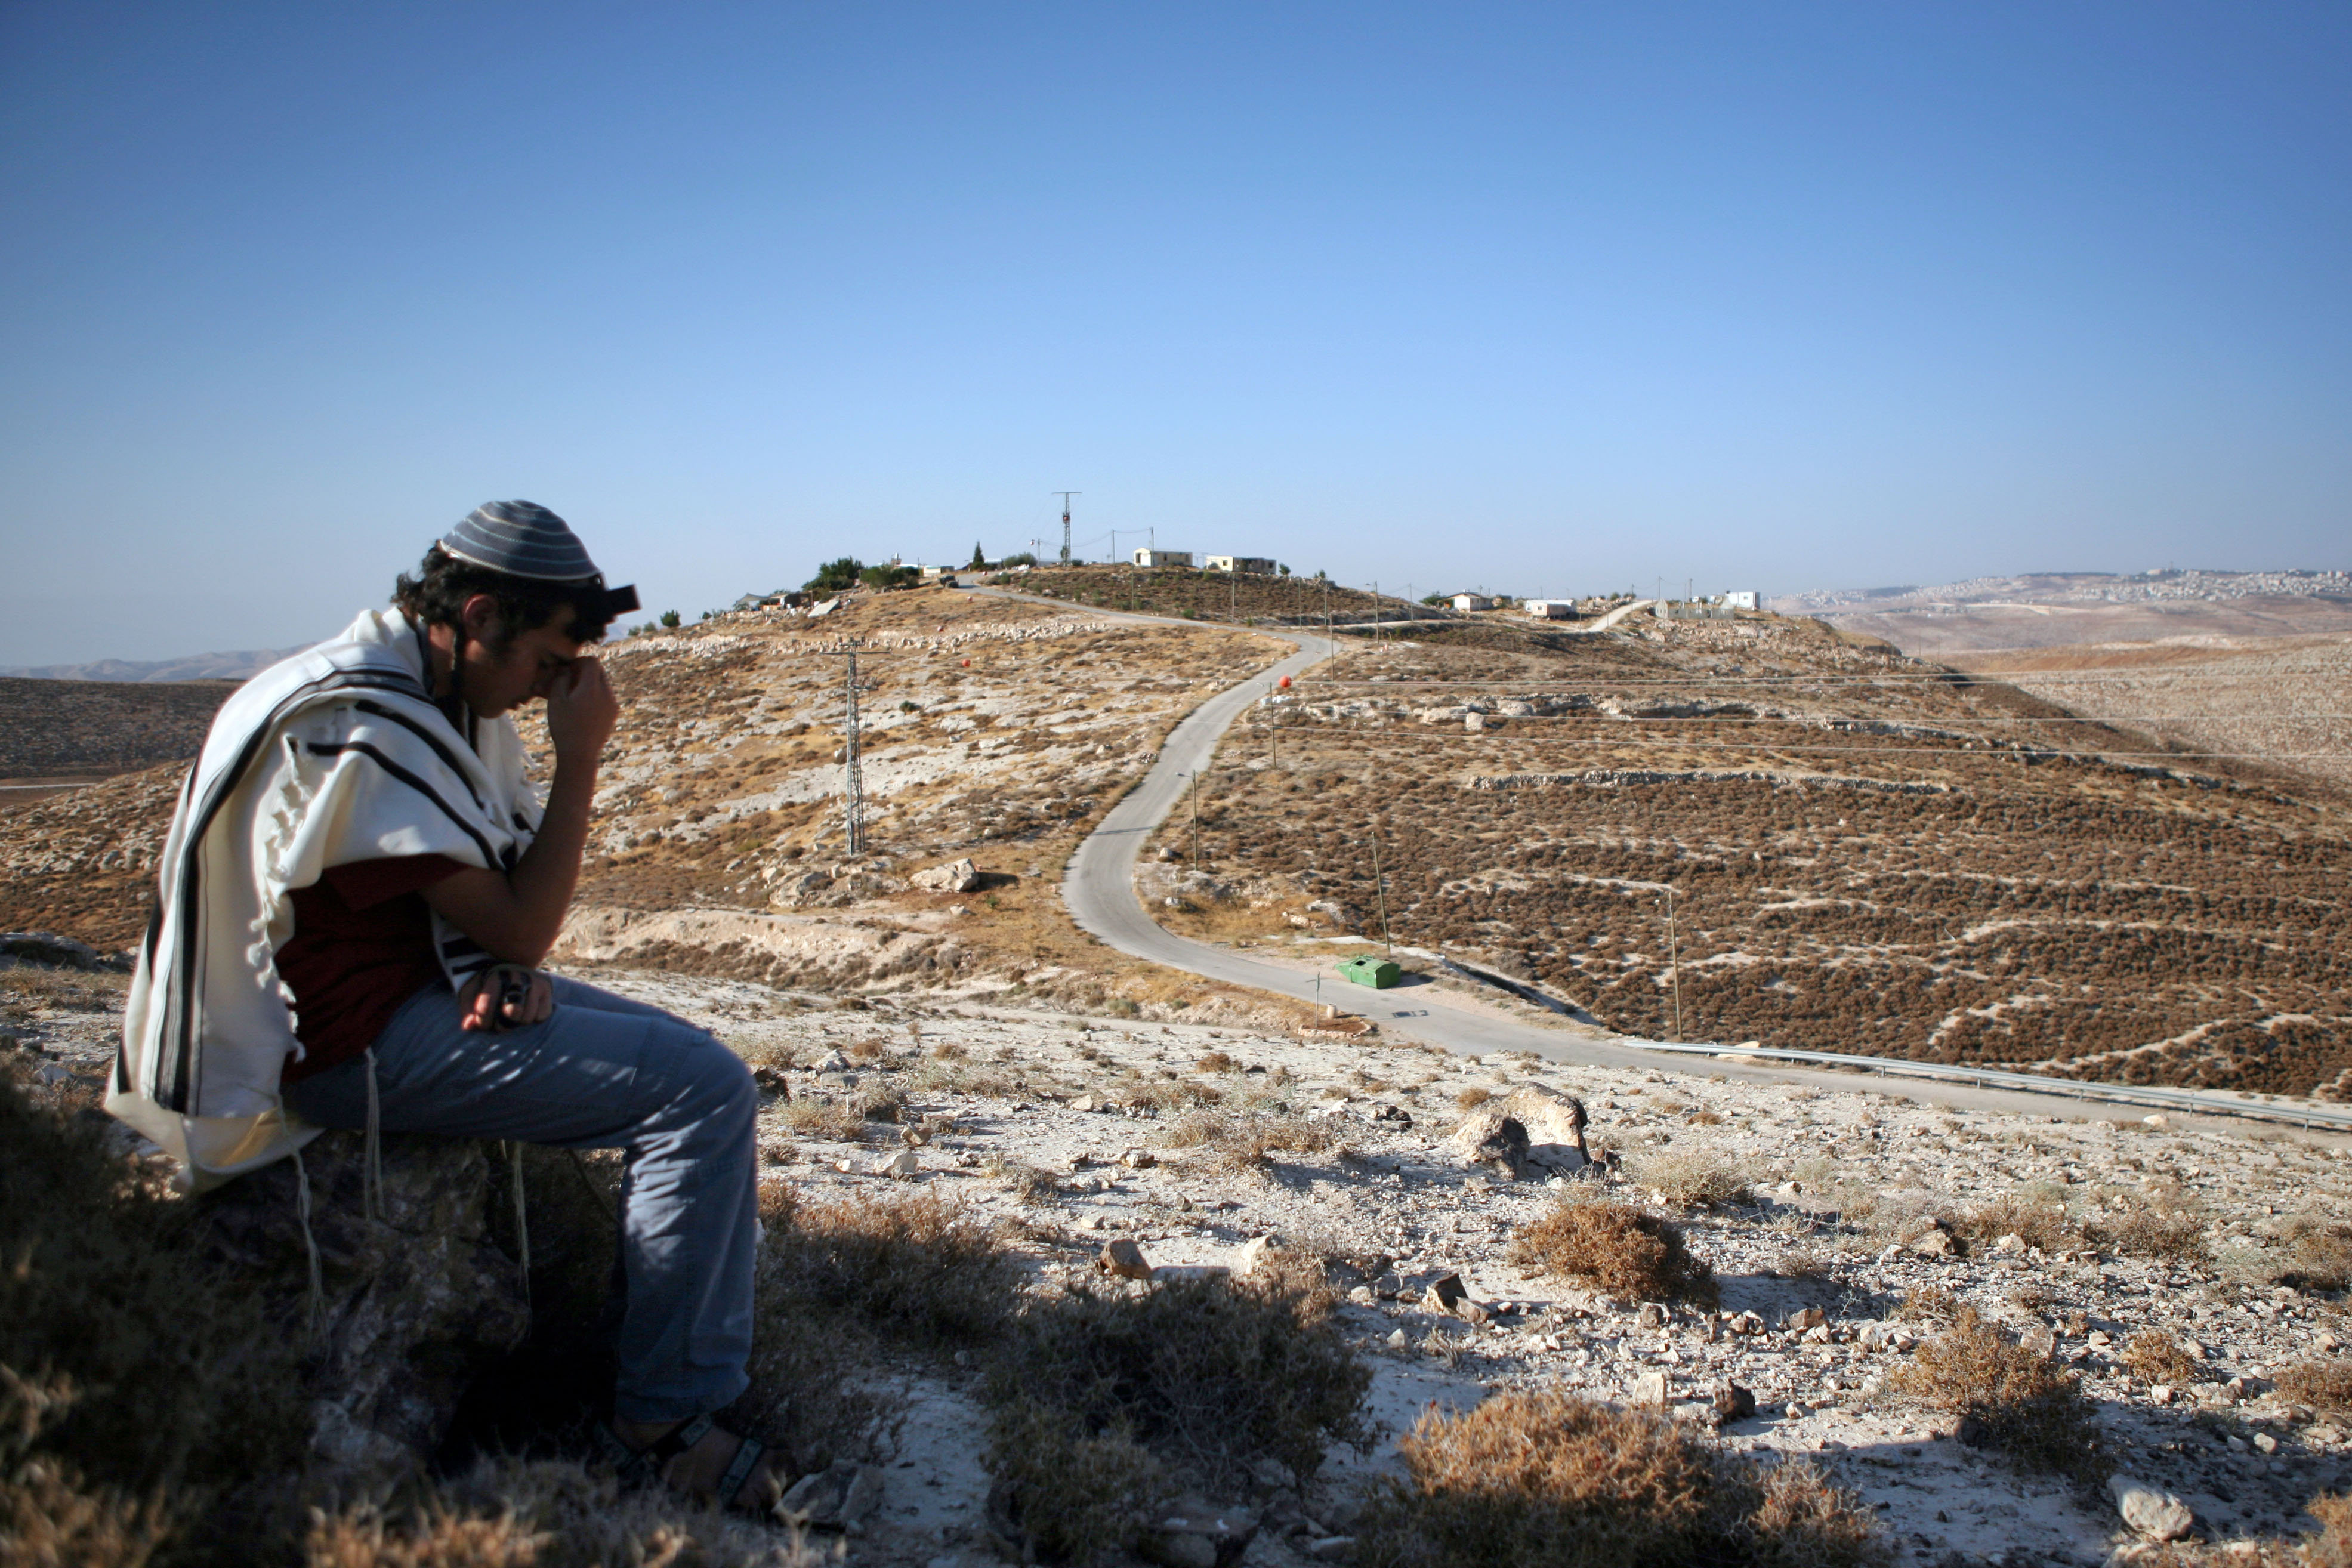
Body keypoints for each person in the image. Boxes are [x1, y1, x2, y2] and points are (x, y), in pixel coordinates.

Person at [110, 501, 787, 1513]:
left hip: (419, 989)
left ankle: (647, 1371)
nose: (556, 688)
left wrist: (488, 964)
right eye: (551, 662)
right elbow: (522, 922)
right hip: (338, 1047)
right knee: (695, 1092)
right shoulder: (360, 721)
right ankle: (660, 1419)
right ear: (477, 615)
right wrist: (582, 759)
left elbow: (469, 908)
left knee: (700, 1063)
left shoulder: (418, 693)